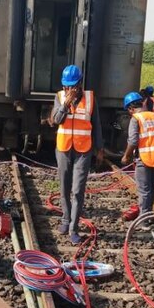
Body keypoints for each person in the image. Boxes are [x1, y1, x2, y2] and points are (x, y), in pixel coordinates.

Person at [52, 65, 104, 244]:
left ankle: (74, 228)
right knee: (64, 188)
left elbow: (96, 124)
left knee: (77, 190)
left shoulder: (90, 99)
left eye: (72, 86)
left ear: (80, 84)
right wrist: (65, 104)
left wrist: (100, 149)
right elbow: (56, 121)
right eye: (66, 86)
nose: (68, 89)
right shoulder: (59, 97)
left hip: (84, 150)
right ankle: (65, 220)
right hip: (64, 148)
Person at [121, 92, 154, 215]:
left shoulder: (136, 118)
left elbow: (133, 141)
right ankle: (148, 215)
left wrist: (126, 156)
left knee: (144, 190)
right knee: (151, 189)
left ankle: (144, 220)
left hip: (144, 159)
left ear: (130, 108)